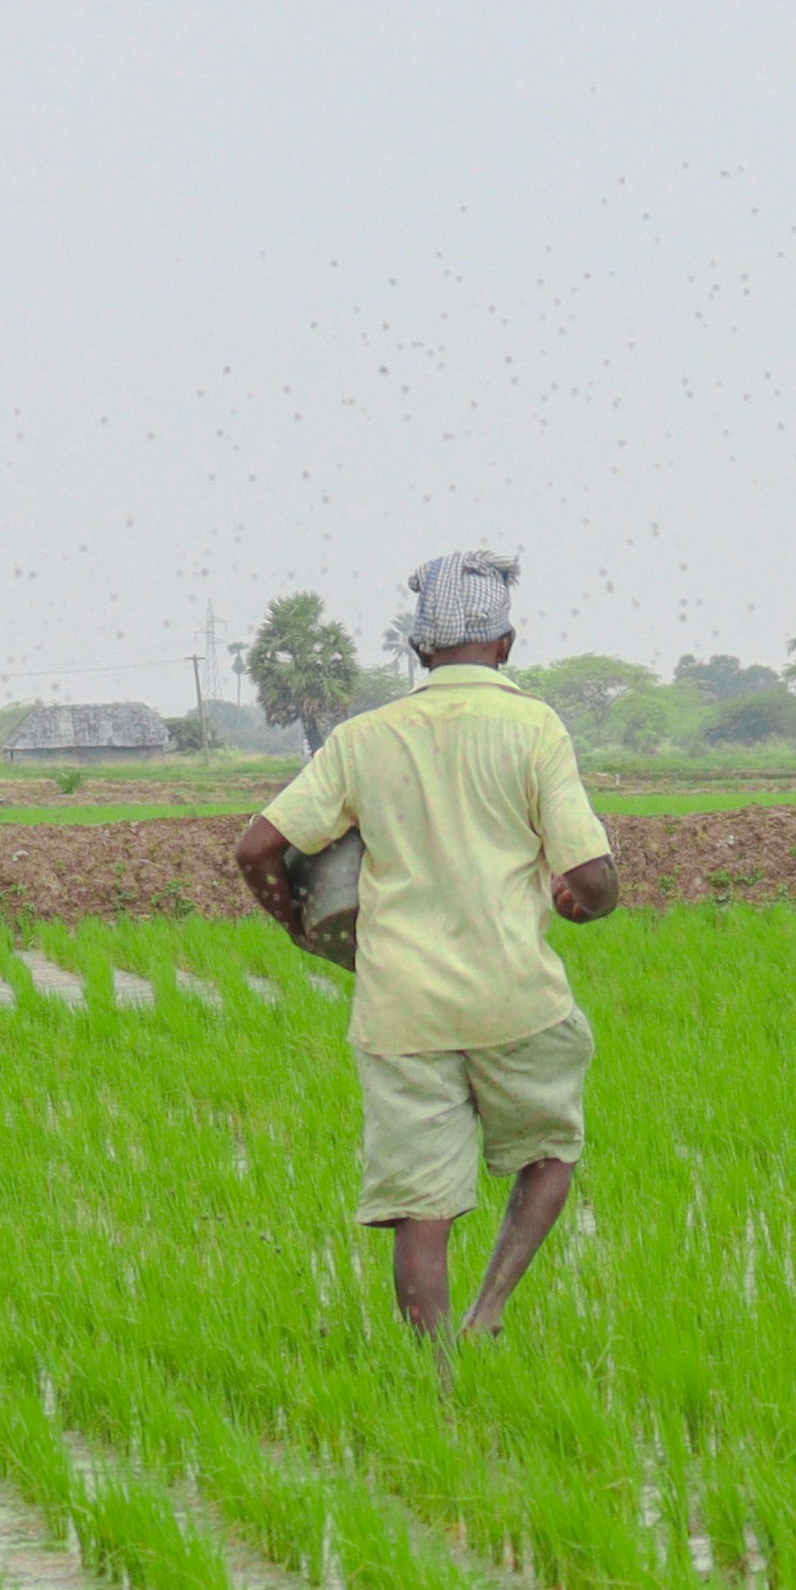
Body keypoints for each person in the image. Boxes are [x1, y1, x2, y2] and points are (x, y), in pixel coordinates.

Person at [231, 549, 621, 1339]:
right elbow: (591, 877)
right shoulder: (534, 727)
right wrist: (583, 904)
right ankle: (489, 1314)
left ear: (418, 649)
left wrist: (303, 931)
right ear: (506, 645)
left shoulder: (362, 738)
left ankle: (436, 1382)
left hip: (400, 1008)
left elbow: (256, 850)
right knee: (550, 1152)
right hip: (516, 996)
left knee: (422, 1205)